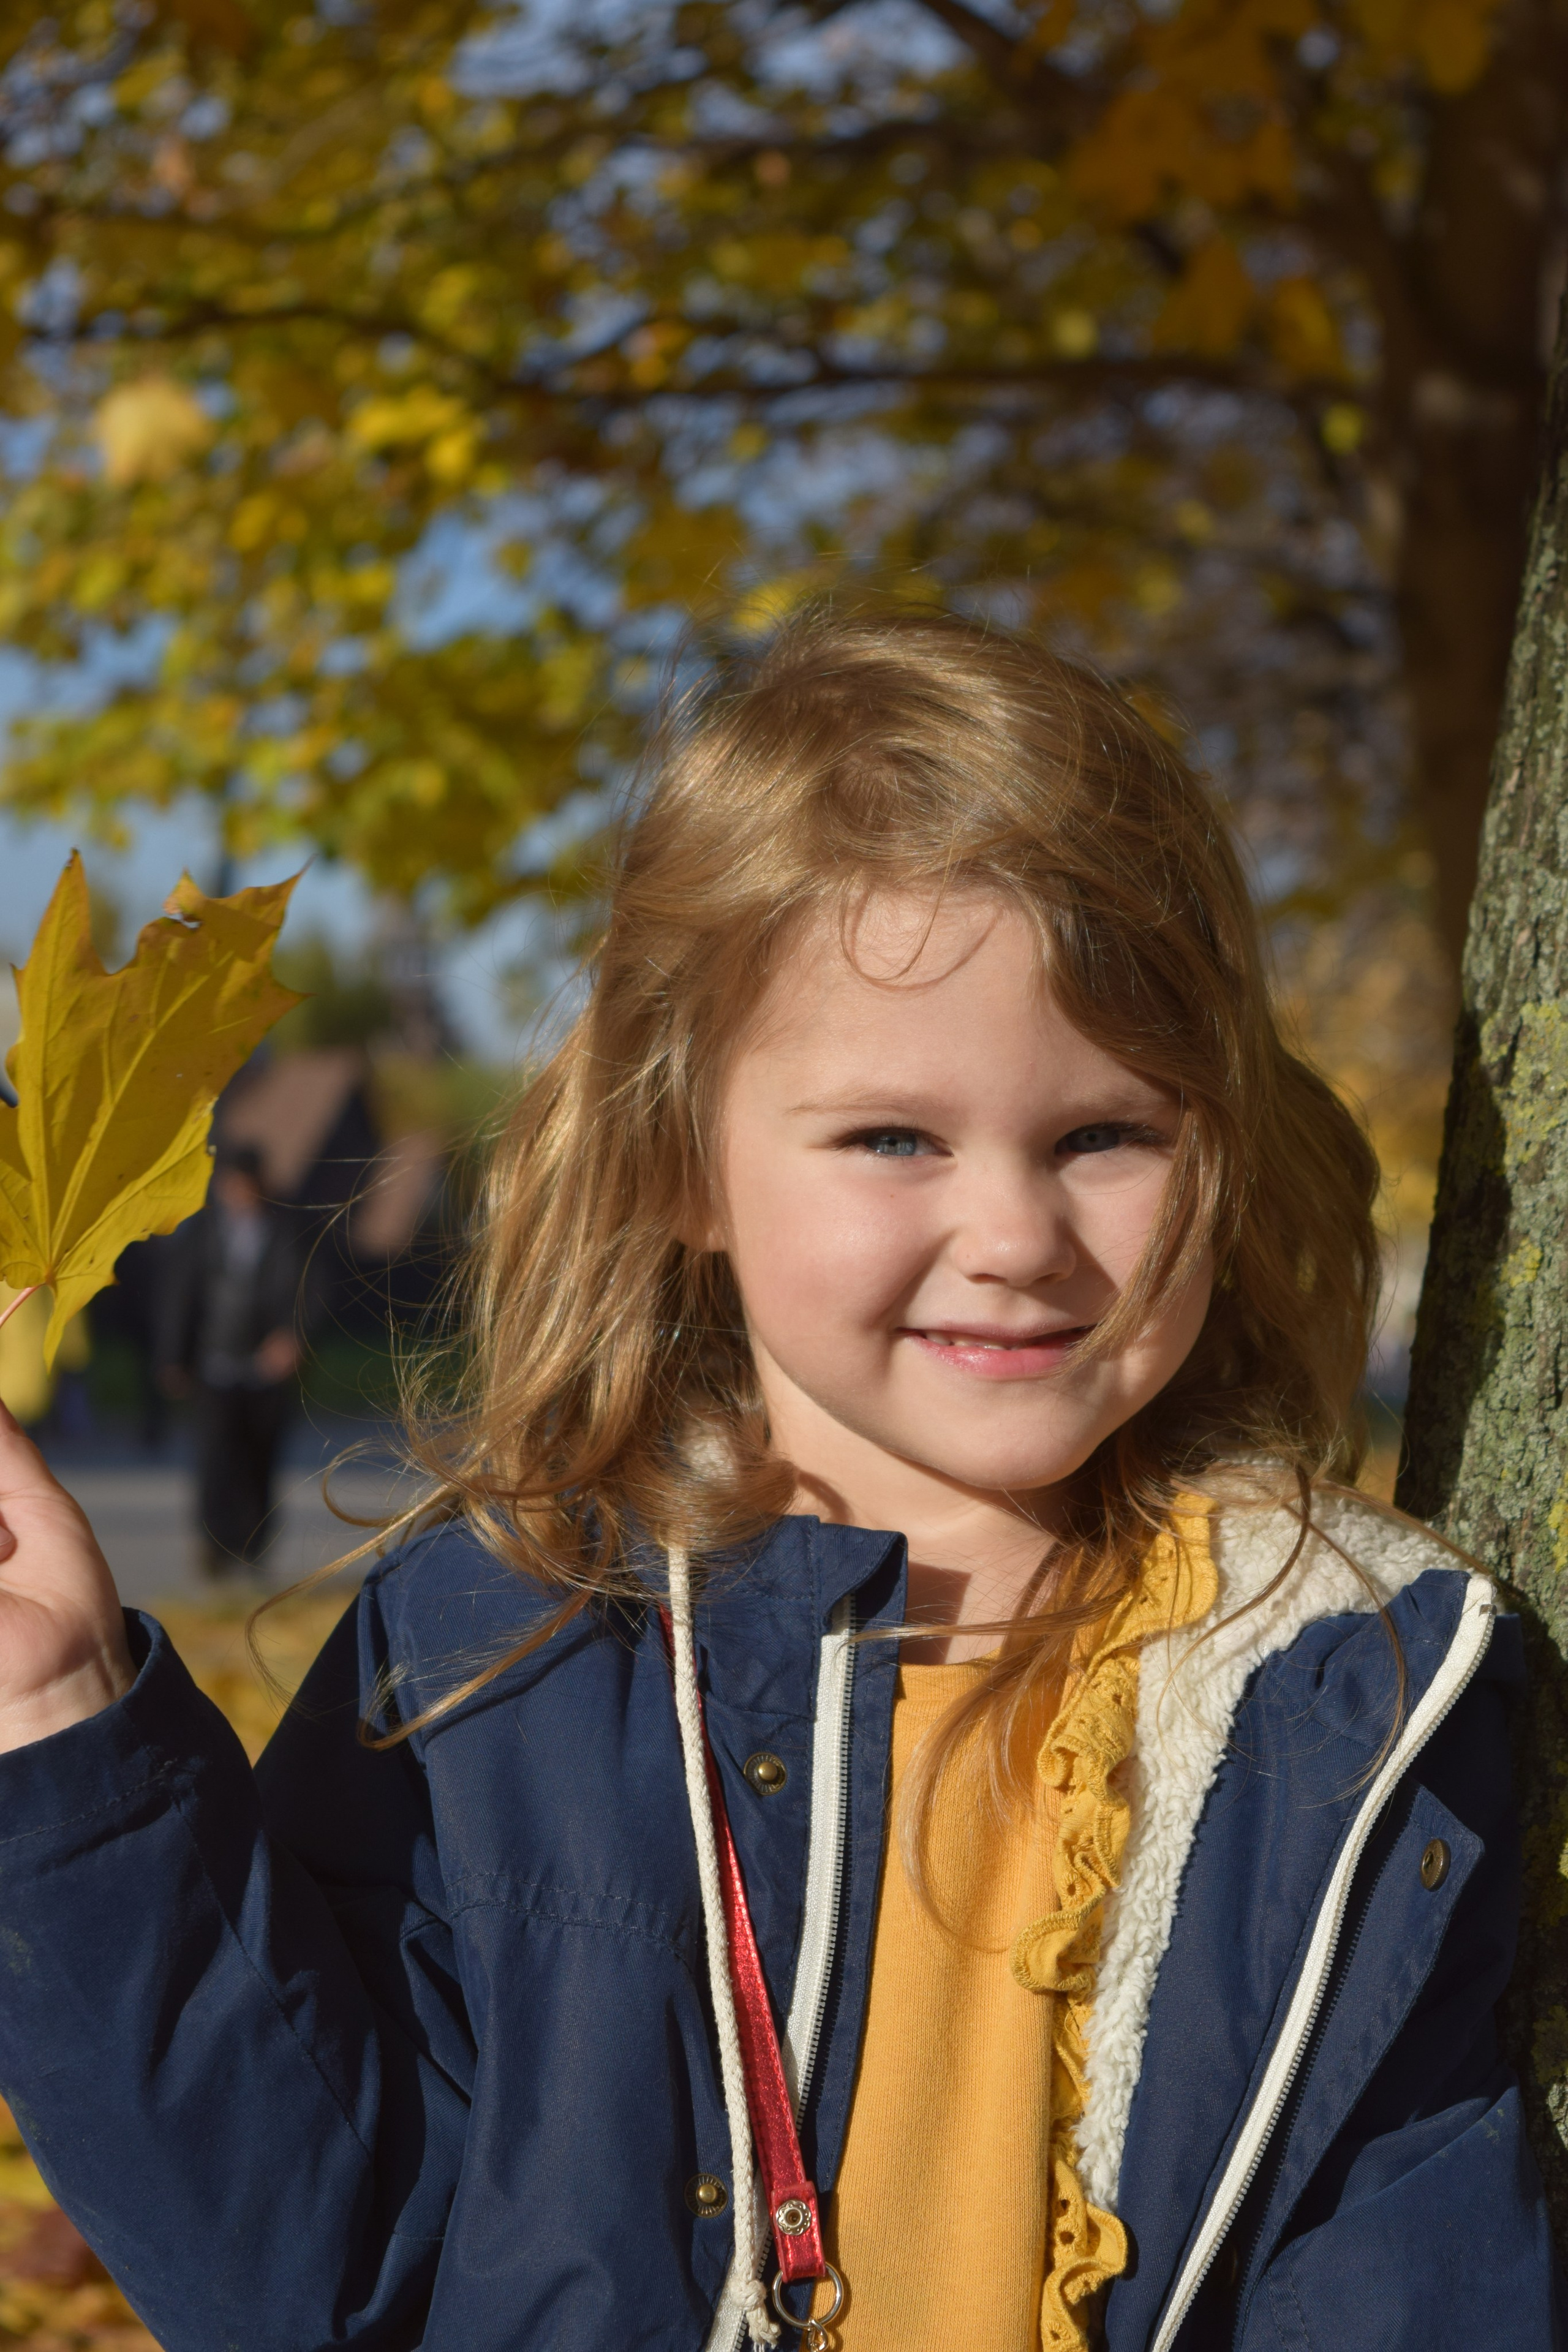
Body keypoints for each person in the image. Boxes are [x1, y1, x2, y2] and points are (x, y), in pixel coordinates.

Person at [0, 610, 1555, 2352]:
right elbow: (309, 2266)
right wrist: (60, 1715)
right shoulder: (501, 1647)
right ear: (684, 1162)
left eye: (1106, 1134)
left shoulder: (1342, 1688)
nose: (1016, 1237)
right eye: (896, 1137)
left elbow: (1402, 2246)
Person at [155, 1143, 310, 1575]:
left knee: (259, 1459)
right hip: (213, 1365)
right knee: (214, 1460)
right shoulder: (203, 1233)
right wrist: (173, 1358)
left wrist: (293, 1338)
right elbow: (180, 1297)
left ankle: (253, 1547)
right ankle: (214, 1546)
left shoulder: (289, 1231)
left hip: (266, 1372)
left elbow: (310, 1292)